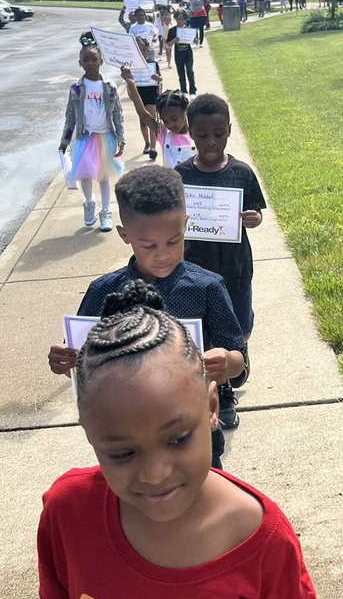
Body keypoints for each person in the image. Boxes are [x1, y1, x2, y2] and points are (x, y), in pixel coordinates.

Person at [39, 278, 337, 599]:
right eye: (122, 452)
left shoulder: (259, 538)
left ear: (213, 406)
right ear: (90, 434)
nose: (155, 473)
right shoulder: (67, 512)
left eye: (178, 439)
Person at [46, 166, 249, 468]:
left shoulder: (207, 287)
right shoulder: (104, 291)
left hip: (193, 434)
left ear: (186, 225)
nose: (163, 254)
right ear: (125, 235)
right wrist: (63, 362)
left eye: (173, 240)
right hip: (126, 440)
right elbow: (78, 361)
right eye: (149, 245)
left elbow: (240, 364)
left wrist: (226, 362)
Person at [176, 94, 265, 430]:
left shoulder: (241, 174)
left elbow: (255, 212)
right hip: (195, 273)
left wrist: (253, 219)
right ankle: (222, 393)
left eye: (218, 133)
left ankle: (238, 354)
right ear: (190, 132)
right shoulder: (180, 175)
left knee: (240, 328)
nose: (211, 141)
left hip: (236, 271)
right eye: (202, 135)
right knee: (207, 335)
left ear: (229, 130)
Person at [59, 45, 125, 231]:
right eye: (86, 60)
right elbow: (70, 117)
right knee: (85, 174)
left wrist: (121, 138)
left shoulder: (110, 88)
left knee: (104, 176)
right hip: (84, 138)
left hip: (106, 137)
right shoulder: (76, 89)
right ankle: (89, 202)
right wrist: (65, 141)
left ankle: (105, 212)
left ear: (101, 61)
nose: (90, 63)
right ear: (80, 63)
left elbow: (118, 115)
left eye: (93, 59)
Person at [120, 76, 197, 169]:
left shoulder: (197, 134)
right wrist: (131, 84)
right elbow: (143, 114)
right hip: (171, 182)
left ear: (185, 112)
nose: (170, 125)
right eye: (165, 121)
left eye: (174, 119)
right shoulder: (164, 134)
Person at [127, 34, 162, 157]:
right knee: (142, 121)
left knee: (151, 119)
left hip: (151, 93)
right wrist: (130, 92)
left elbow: (160, 78)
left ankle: (153, 147)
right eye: (137, 50)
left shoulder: (153, 64)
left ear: (147, 50)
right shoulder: (130, 66)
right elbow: (128, 82)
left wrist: (158, 78)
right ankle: (146, 143)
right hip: (139, 94)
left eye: (143, 49)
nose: (141, 52)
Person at [168, 8, 197, 95]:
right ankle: (183, 90)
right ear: (175, 19)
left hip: (188, 54)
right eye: (178, 19)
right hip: (178, 54)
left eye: (182, 19)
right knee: (181, 74)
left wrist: (195, 40)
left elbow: (196, 41)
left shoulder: (189, 29)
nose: (180, 21)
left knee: (190, 72)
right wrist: (174, 41)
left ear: (185, 19)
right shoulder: (172, 30)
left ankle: (192, 91)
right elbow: (168, 44)